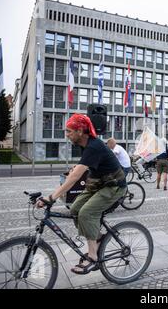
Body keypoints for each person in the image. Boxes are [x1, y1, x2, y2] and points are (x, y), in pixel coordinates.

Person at [37, 114, 127, 275]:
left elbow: (75, 177)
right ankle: (97, 238)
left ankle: (92, 256)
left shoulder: (93, 146)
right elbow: (85, 165)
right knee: (75, 209)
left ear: (80, 131)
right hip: (98, 184)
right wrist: (77, 167)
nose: (66, 134)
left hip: (113, 186)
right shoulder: (84, 145)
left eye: (69, 131)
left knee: (87, 213)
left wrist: (51, 198)